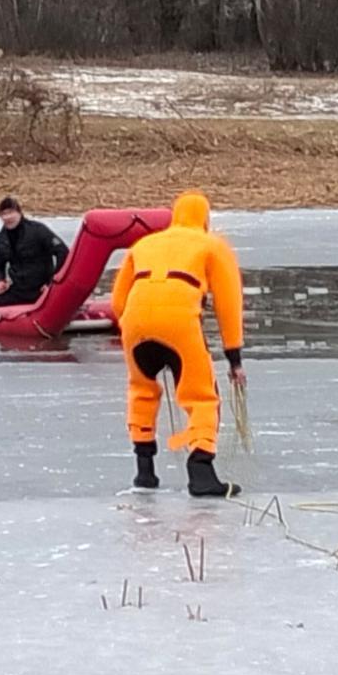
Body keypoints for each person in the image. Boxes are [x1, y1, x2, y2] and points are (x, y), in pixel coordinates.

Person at [111, 189, 246, 497]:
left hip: (135, 323)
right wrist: (234, 358)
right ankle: (201, 472)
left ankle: (144, 473)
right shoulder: (212, 245)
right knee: (200, 396)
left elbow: (118, 301)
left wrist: (135, 323)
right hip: (179, 322)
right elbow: (229, 302)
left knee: (141, 391)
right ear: (205, 219)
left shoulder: (144, 244)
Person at [0, 197, 69, 309]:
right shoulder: (2, 238)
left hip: (41, 289)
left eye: (11, 212)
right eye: (3, 214)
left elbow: (62, 252)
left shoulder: (38, 230)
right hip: (18, 290)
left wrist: (52, 283)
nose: (8, 217)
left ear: (19, 212)